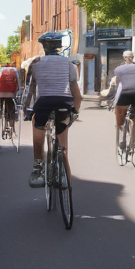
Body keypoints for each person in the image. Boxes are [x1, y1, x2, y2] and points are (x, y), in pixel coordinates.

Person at [26, 31, 81, 188]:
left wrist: (26, 110)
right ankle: (63, 169)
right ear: (59, 46)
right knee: (63, 142)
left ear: (44, 46)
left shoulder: (35, 63)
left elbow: (29, 91)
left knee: (38, 125)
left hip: (44, 102)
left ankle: (38, 168)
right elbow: (76, 93)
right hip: (64, 103)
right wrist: (75, 112)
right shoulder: (69, 64)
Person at [107, 50, 135, 156]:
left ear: (124, 58)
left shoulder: (118, 69)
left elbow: (117, 85)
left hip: (126, 93)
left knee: (120, 112)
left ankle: (121, 131)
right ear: (133, 57)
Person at [0, 62, 21, 132]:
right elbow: (18, 82)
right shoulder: (14, 71)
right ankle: (11, 124)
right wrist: (18, 91)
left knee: (2, 105)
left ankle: (3, 114)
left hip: (1, 93)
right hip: (11, 93)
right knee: (11, 107)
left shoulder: (1, 71)